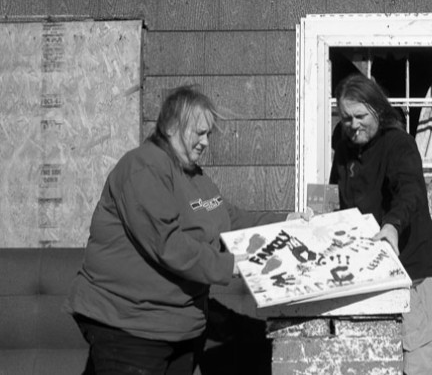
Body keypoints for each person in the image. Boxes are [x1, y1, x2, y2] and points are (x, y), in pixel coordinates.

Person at [67, 84, 308, 375]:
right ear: (171, 127)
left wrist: (288, 220)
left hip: (180, 327)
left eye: (209, 134)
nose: (205, 142)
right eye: (199, 133)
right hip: (128, 326)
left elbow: (230, 220)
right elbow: (169, 245)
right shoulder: (143, 168)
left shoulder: (195, 177)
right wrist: (231, 265)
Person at [329, 74, 432, 375]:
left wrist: (392, 225)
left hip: (412, 273)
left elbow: (411, 191)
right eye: (346, 118)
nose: (353, 125)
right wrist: (316, 220)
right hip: (367, 277)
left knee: (415, 364)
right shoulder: (344, 148)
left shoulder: (399, 143)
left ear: (377, 109)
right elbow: (333, 196)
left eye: (360, 116)